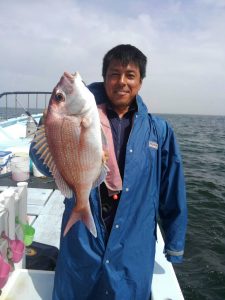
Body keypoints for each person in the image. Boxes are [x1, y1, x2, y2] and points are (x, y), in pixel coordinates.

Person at [30, 44, 187, 300]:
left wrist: (175, 243)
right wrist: (51, 123)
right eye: (114, 74)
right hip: (83, 238)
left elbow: (172, 189)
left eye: (130, 75)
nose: (121, 82)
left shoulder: (160, 130)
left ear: (140, 82)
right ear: (104, 78)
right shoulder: (81, 114)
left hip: (133, 242)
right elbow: (42, 162)